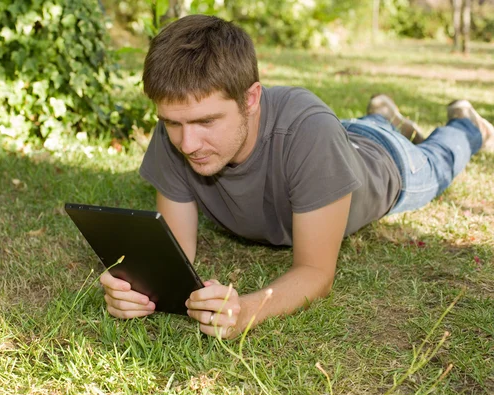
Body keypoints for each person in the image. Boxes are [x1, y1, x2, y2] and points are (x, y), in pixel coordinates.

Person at [100, 15, 494, 339]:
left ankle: (466, 125)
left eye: (206, 121)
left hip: (388, 164)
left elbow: (316, 273)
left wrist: (247, 311)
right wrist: (137, 291)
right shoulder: (178, 131)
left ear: (251, 98)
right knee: (352, 127)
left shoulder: (310, 131)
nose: (187, 143)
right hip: (340, 137)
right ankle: (382, 116)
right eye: (173, 123)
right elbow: (176, 257)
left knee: (441, 157)